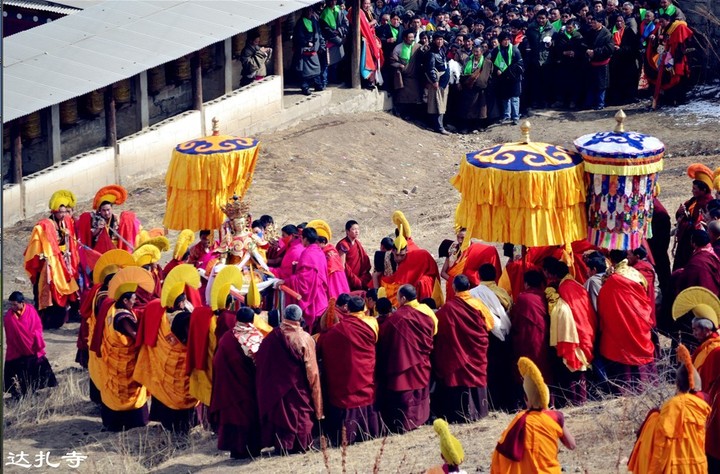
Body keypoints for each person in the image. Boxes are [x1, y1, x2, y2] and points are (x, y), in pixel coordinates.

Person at [134, 264, 199, 434]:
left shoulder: (160, 313)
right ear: (180, 303)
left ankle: (167, 424)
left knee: (165, 392)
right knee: (182, 399)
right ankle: (183, 428)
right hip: (179, 365)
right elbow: (191, 339)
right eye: (184, 300)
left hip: (164, 365)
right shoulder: (183, 318)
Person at [627, 345, 710, 473]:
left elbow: (662, 441)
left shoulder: (673, 405)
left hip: (676, 466)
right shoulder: (703, 405)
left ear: (677, 384)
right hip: (698, 465)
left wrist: (654, 470)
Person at [255, 304, 323, 453]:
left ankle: (282, 445)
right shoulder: (304, 338)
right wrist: (318, 405)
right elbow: (312, 372)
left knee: (281, 414)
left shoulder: (271, 337)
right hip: (298, 389)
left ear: (284, 317)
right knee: (299, 414)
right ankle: (301, 445)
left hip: (276, 390)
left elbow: (260, 363)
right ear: (300, 319)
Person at [491, 357, 576, 473]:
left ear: (526, 400)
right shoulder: (556, 417)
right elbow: (572, 445)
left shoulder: (519, 420)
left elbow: (503, 451)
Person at [317, 295, 380, 445]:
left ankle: (346, 436)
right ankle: (370, 431)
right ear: (364, 308)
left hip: (344, 380)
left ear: (347, 309)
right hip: (365, 372)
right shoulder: (371, 324)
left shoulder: (335, 331)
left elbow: (321, 345)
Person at [99, 267, 155, 431]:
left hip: (113, 360)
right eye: (133, 298)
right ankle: (132, 422)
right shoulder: (123, 318)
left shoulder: (112, 309)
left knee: (114, 391)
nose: (135, 300)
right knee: (127, 391)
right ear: (124, 300)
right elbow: (136, 337)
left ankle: (113, 422)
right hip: (123, 363)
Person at [432, 275, 493, 422]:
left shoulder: (449, 308)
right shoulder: (478, 304)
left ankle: (459, 414)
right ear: (469, 287)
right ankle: (480, 411)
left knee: (459, 380)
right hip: (476, 350)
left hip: (457, 351)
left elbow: (437, 326)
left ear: (454, 288)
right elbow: (490, 325)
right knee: (475, 379)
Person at [672, 286, 720, 471]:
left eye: (695, 329)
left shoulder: (714, 350)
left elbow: (703, 380)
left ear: (706, 329)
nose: (693, 333)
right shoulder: (706, 347)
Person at [377, 284, 436, 433]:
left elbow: (384, 337)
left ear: (403, 298)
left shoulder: (397, 318)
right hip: (420, 359)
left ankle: (404, 422)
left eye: (397, 296)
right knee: (419, 389)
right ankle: (421, 418)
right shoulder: (426, 311)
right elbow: (433, 329)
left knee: (404, 391)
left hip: (403, 360)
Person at [596, 250, 655, 395]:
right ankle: (644, 386)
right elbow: (645, 296)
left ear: (611, 260)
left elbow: (603, 304)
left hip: (621, 324)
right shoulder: (636, 273)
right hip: (639, 320)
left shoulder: (614, 280)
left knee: (623, 353)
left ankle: (624, 389)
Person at [209, 307, 264, 459]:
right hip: (250, 387)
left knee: (235, 417)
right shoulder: (256, 336)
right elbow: (261, 362)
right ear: (252, 320)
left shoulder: (227, 338)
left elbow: (217, 362)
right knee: (250, 416)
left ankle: (237, 450)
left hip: (230, 387)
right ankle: (252, 449)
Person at [23, 190, 80, 329]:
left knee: (65, 290)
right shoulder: (45, 225)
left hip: (63, 263)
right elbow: (37, 244)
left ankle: (62, 317)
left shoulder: (65, 223)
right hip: (49, 265)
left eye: (65, 212)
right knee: (48, 291)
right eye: (60, 212)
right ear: (54, 211)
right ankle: (44, 320)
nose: (63, 215)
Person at [379, 211, 444, 307]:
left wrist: (422, 282)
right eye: (396, 255)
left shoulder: (420, 254)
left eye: (401, 255)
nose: (398, 258)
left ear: (406, 251)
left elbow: (433, 274)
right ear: (392, 251)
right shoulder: (387, 256)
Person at [509, 270, 552, 408]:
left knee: (527, 371)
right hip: (543, 338)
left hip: (525, 339)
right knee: (543, 369)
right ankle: (547, 401)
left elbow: (514, 320)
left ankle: (527, 401)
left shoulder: (522, 298)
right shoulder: (545, 296)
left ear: (526, 283)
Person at [3, 292, 57, 399]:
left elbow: (38, 326)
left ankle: (36, 390)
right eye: (11, 305)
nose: (12, 307)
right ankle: (19, 393)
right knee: (18, 371)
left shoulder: (31, 310)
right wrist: (23, 342)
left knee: (38, 368)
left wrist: (33, 337)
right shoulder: (9, 318)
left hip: (33, 346)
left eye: (15, 304)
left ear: (22, 303)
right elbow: (11, 336)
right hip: (17, 349)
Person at [276, 226, 329, 332]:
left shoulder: (307, 253)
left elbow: (304, 282)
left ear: (305, 239)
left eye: (302, 239)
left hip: (313, 297)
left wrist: (287, 281)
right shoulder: (319, 251)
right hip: (321, 295)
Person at [645, 13, 693, 107]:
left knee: (676, 77)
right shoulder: (660, 28)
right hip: (664, 56)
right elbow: (658, 43)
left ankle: (678, 99)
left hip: (676, 57)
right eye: (660, 21)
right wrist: (654, 39)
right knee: (665, 77)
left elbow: (682, 41)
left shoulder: (677, 27)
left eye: (663, 21)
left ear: (668, 21)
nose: (661, 23)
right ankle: (667, 99)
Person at [674, 164, 715, 271]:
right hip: (686, 240)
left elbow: (699, 224)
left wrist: (684, 222)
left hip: (694, 242)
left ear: (703, 190)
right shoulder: (693, 201)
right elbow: (682, 215)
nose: (692, 190)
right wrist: (680, 212)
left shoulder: (708, 204)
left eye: (694, 188)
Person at [76, 184, 138, 253]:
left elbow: (121, 234)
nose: (107, 213)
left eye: (108, 210)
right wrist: (99, 229)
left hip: (114, 248)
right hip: (100, 249)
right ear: (100, 210)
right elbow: (91, 237)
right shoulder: (95, 219)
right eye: (104, 210)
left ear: (111, 208)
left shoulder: (116, 219)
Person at [308, 220, 351, 299]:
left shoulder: (329, 255)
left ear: (323, 242)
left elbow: (329, 276)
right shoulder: (329, 250)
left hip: (333, 287)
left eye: (316, 243)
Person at [522, 9, 554, 109]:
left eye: (543, 18)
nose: (541, 20)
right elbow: (526, 40)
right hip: (534, 60)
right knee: (535, 82)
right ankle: (535, 101)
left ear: (547, 18)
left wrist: (552, 43)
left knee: (546, 82)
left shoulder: (552, 29)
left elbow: (556, 42)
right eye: (539, 18)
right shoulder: (531, 28)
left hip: (547, 60)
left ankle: (544, 101)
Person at [457, 44, 493, 132]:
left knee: (480, 109)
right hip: (469, 88)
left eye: (477, 52)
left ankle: (478, 126)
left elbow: (490, 75)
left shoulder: (487, 62)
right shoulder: (468, 60)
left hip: (481, 89)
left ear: (482, 52)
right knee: (467, 108)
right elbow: (463, 71)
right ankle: (466, 127)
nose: (475, 53)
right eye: (474, 51)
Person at [549, 20, 584, 109]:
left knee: (574, 83)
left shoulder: (578, 37)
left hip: (574, 64)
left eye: (570, 27)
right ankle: (560, 101)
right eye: (567, 27)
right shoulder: (560, 37)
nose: (568, 29)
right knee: (561, 83)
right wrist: (563, 53)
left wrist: (574, 53)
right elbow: (556, 49)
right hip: (563, 63)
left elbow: (582, 49)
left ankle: (573, 101)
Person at [389, 29, 424, 120]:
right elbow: (392, 60)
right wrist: (400, 65)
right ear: (404, 38)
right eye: (410, 37)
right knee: (403, 97)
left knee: (414, 98)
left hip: (414, 77)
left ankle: (411, 115)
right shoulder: (398, 48)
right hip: (404, 76)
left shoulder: (418, 47)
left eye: (413, 37)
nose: (412, 39)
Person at [491, 32, 523, 125]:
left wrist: (507, 70)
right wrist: (497, 70)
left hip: (514, 77)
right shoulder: (496, 50)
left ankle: (515, 117)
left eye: (508, 40)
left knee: (515, 98)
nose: (506, 42)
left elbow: (519, 64)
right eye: (504, 40)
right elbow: (492, 63)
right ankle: (506, 116)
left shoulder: (514, 50)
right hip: (502, 79)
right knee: (505, 98)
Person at [583, 13, 614, 110]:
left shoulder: (607, 34)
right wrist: (587, 50)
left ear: (600, 23)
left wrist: (595, 52)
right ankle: (589, 103)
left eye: (594, 22)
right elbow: (583, 43)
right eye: (591, 23)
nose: (592, 24)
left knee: (601, 86)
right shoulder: (590, 32)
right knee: (591, 84)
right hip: (591, 62)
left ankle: (600, 104)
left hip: (602, 63)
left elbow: (609, 49)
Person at [608, 15, 640, 105]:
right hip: (615, 61)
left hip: (627, 60)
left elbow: (634, 46)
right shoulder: (611, 31)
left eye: (621, 21)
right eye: (617, 21)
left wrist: (622, 49)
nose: (619, 23)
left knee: (629, 80)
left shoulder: (628, 31)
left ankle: (629, 97)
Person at [294, 7, 326, 95]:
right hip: (304, 51)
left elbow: (319, 34)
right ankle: (305, 88)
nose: (309, 13)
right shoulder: (300, 23)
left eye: (311, 11)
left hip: (314, 50)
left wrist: (321, 45)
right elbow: (298, 36)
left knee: (317, 69)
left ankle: (318, 85)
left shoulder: (314, 21)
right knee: (304, 72)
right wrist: (307, 43)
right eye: (307, 11)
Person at [426, 32, 451, 134]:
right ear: (434, 40)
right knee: (436, 104)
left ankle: (439, 125)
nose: (440, 41)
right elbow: (430, 68)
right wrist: (434, 80)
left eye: (441, 39)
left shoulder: (442, 50)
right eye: (438, 39)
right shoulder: (432, 53)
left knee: (441, 104)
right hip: (437, 81)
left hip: (444, 82)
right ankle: (438, 127)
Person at [318, 0, 348, 88]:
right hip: (329, 41)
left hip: (338, 39)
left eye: (334, 0)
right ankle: (324, 82)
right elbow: (326, 30)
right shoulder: (324, 14)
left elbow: (345, 24)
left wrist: (339, 31)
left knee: (336, 62)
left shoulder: (339, 11)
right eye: (330, 0)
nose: (332, 2)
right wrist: (339, 40)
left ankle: (334, 79)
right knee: (326, 63)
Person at [337, 220, 372, 291]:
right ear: (347, 231)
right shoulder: (343, 244)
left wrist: (362, 277)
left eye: (358, 229)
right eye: (354, 229)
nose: (357, 231)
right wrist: (354, 278)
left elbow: (365, 261)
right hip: (348, 278)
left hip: (360, 277)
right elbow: (342, 265)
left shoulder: (357, 243)